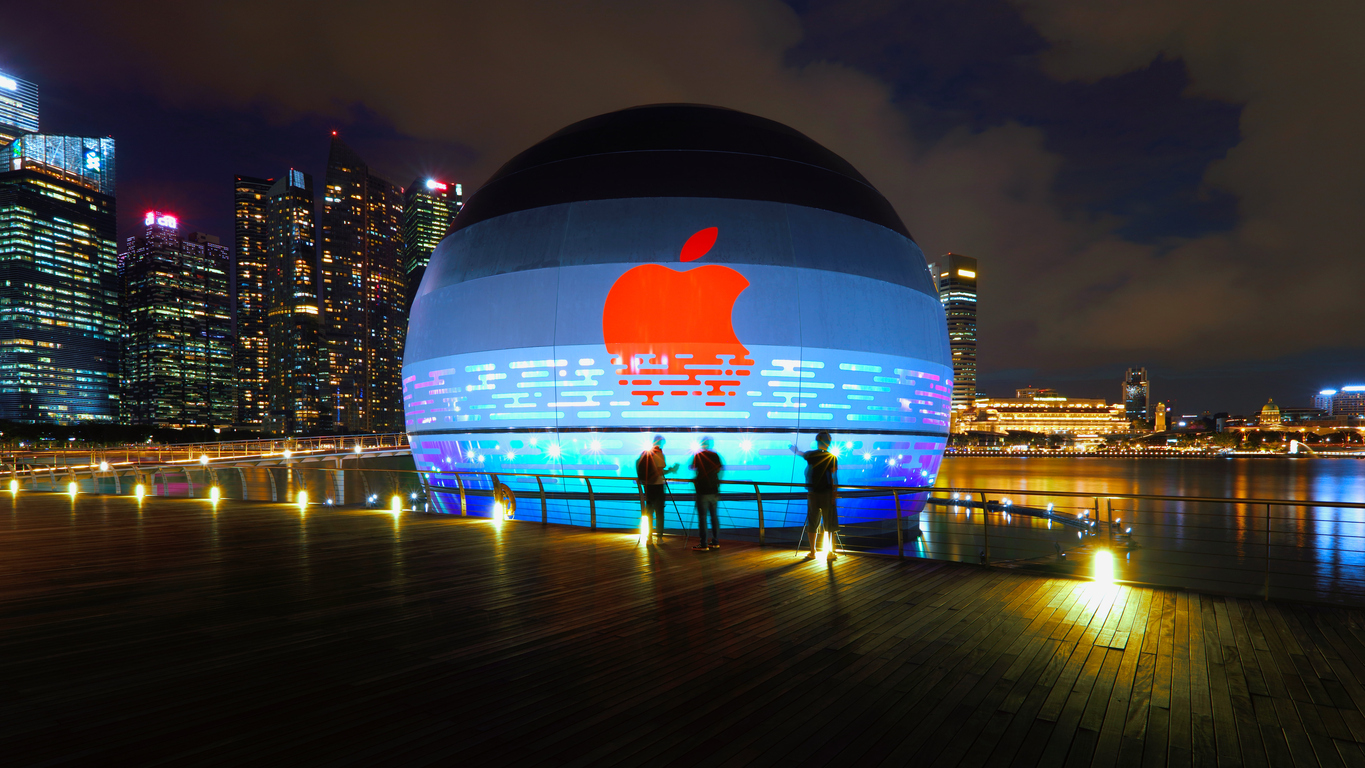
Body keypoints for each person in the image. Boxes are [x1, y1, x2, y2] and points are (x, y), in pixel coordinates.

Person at [790, 432, 839, 560]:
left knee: (812, 521)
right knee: (829, 523)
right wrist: (834, 494)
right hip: (827, 493)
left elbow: (800, 453)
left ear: (818, 441)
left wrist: (795, 450)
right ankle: (830, 552)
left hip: (812, 492)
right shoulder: (832, 457)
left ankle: (812, 551)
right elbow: (834, 477)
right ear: (828, 442)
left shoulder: (812, 455)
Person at [635, 434, 678, 540]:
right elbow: (660, 472)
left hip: (648, 486)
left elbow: (638, 464)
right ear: (661, 443)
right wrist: (672, 470)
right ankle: (659, 537)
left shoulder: (645, 453)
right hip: (657, 486)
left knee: (649, 511)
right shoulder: (659, 454)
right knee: (659, 512)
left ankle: (649, 537)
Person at [689, 437, 724, 551]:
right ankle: (715, 541)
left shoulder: (698, 456)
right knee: (714, 517)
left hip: (702, 490)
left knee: (702, 518)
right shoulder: (715, 455)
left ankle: (703, 543)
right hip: (714, 490)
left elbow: (692, 467)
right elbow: (719, 469)